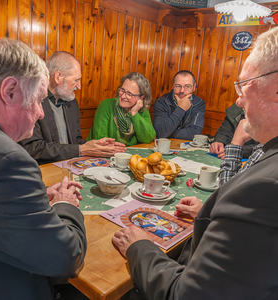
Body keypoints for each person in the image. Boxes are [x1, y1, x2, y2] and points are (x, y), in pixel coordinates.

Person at [112, 27, 278, 299]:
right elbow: (162, 132)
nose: (238, 98)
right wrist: (210, 213)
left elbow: (187, 294)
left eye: (244, 85)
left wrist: (141, 246)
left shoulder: (265, 187)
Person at [0, 39, 87, 300]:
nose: (40, 113)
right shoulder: (9, 160)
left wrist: (33, 198)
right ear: (10, 90)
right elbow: (67, 258)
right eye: (38, 99)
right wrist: (64, 204)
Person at [19, 51, 126, 165]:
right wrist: (82, 150)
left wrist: (96, 146)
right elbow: (34, 148)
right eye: (76, 80)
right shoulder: (32, 101)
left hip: (71, 166)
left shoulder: (71, 102)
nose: (79, 86)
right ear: (58, 77)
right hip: (45, 169)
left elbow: (76, 141)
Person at [86, 72, 156, 146]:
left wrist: (135, 113)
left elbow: (148, 138)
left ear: (141, 97)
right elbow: (100, 141)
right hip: (101, 154)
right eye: (122, 90)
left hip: (128, 154)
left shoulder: (142, 109)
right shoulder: (106, 105)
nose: (122, 96)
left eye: (129, 94)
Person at [153, 70, 205, 140]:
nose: (182, 90)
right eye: (178, 86)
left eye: (187, 86)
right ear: (173, 85)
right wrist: (181, 109)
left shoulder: (199, 103)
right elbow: (161, 132)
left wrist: (168, 133)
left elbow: (195, 133)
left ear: (194, 87)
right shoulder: (162, 102)